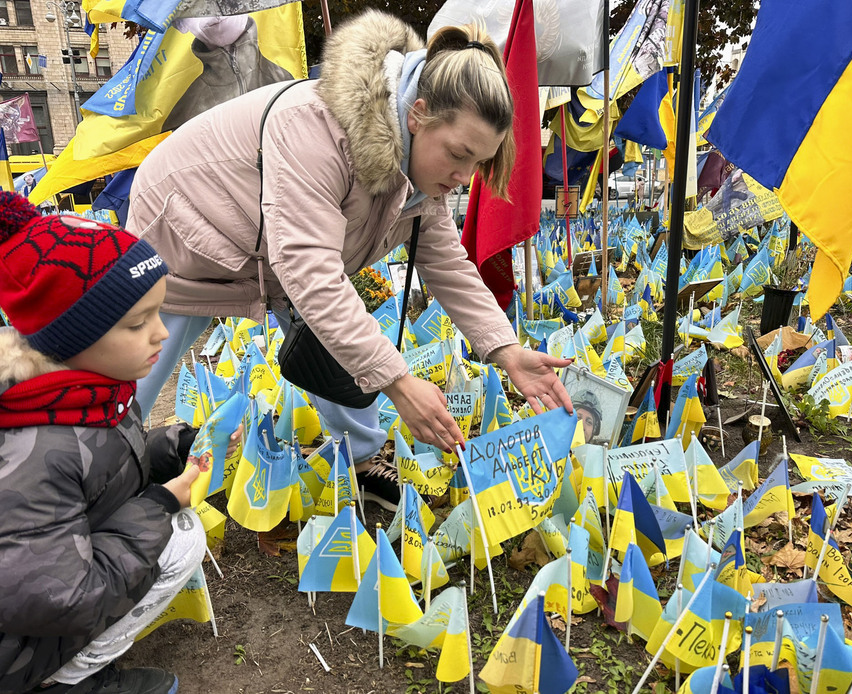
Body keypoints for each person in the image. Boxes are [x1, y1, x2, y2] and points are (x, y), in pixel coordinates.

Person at [127, 9, 574, 510]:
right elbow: (314, 279)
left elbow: (448, 265)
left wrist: (506, 350)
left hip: (271, 251)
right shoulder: (315, 131)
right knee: (130, 378)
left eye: (478, 162)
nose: (465, 176)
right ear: (417, 113)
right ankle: (92, 474)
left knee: (332, 334)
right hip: (186, 228)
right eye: (458, 154)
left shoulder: (418, 170)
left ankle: (360, 459)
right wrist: (400, 383)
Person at [0, 192, 216, 693]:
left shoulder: (82, 389)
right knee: (181, 538)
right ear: (68, 337)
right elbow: (64, 599)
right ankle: (65, 682)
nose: (161, 334)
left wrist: (175, 446)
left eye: (159, 313)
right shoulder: (31, 453)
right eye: (137, 323)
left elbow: (104, 471)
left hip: (39, 598)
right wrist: (162, 503)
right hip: (16, 648)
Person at [162, 14, 292, 132]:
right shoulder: (186, 112)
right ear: (180, 24)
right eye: (197, 2)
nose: (216, 13)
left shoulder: (284, 80)